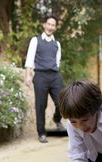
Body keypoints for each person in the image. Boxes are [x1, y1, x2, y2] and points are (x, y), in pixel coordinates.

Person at [24, 14, 65, 144]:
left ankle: (57, 119)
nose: (50, 27)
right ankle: (41, 133)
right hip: (40, 75)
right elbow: (30, 59)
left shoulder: (57, 44)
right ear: (44, 25)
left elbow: (57, 61)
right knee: (41, 105)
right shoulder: (35, 40)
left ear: (55, 28)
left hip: (54, 75)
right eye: (49, 24)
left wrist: (54, 69)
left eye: (53, 25)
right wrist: (28, 76)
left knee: (62, 101)